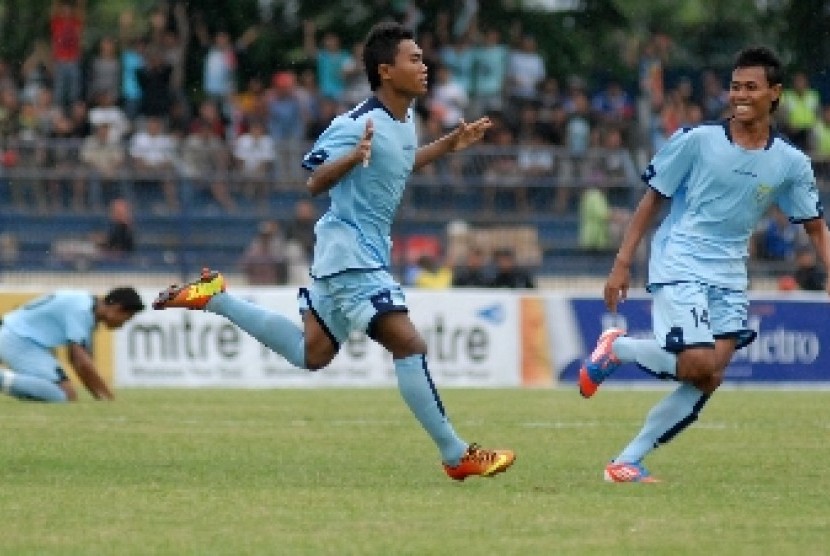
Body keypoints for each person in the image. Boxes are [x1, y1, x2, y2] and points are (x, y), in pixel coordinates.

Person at [152, 21, 515, 481]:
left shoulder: (406, 119)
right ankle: (455, 453)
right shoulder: (355, 123)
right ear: (386, 71)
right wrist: (350, 157)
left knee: (313, 354)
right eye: (415, 59)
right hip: (352, 252)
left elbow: (399, 162)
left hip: (351, 251)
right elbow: (313, 181)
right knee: (408, 342)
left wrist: (447, 145)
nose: (425, 67)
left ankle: (215, 297)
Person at [577, 46, 830, 483]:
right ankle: (616, 348)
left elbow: (815, 228)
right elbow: (652, 199)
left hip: (731, 273)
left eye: (751, 87)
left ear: (775, 93)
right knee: (696, 362)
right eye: (735, 87)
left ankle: (626, 461)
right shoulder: (696, 140)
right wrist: (622, 263)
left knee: (708, 377)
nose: (740, 95)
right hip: (682, 258)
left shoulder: (790, 163)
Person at [0, 286, 144, 402]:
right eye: (127, 317)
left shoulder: (86, 303)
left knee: (62, 393)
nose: (123, 324)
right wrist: (107, 398)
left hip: (18, 336)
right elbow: (81, 362)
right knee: (65, 394)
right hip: (18, 338)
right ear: (117, 308)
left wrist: (100, 395)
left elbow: (77, 360)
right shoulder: (83, 310)